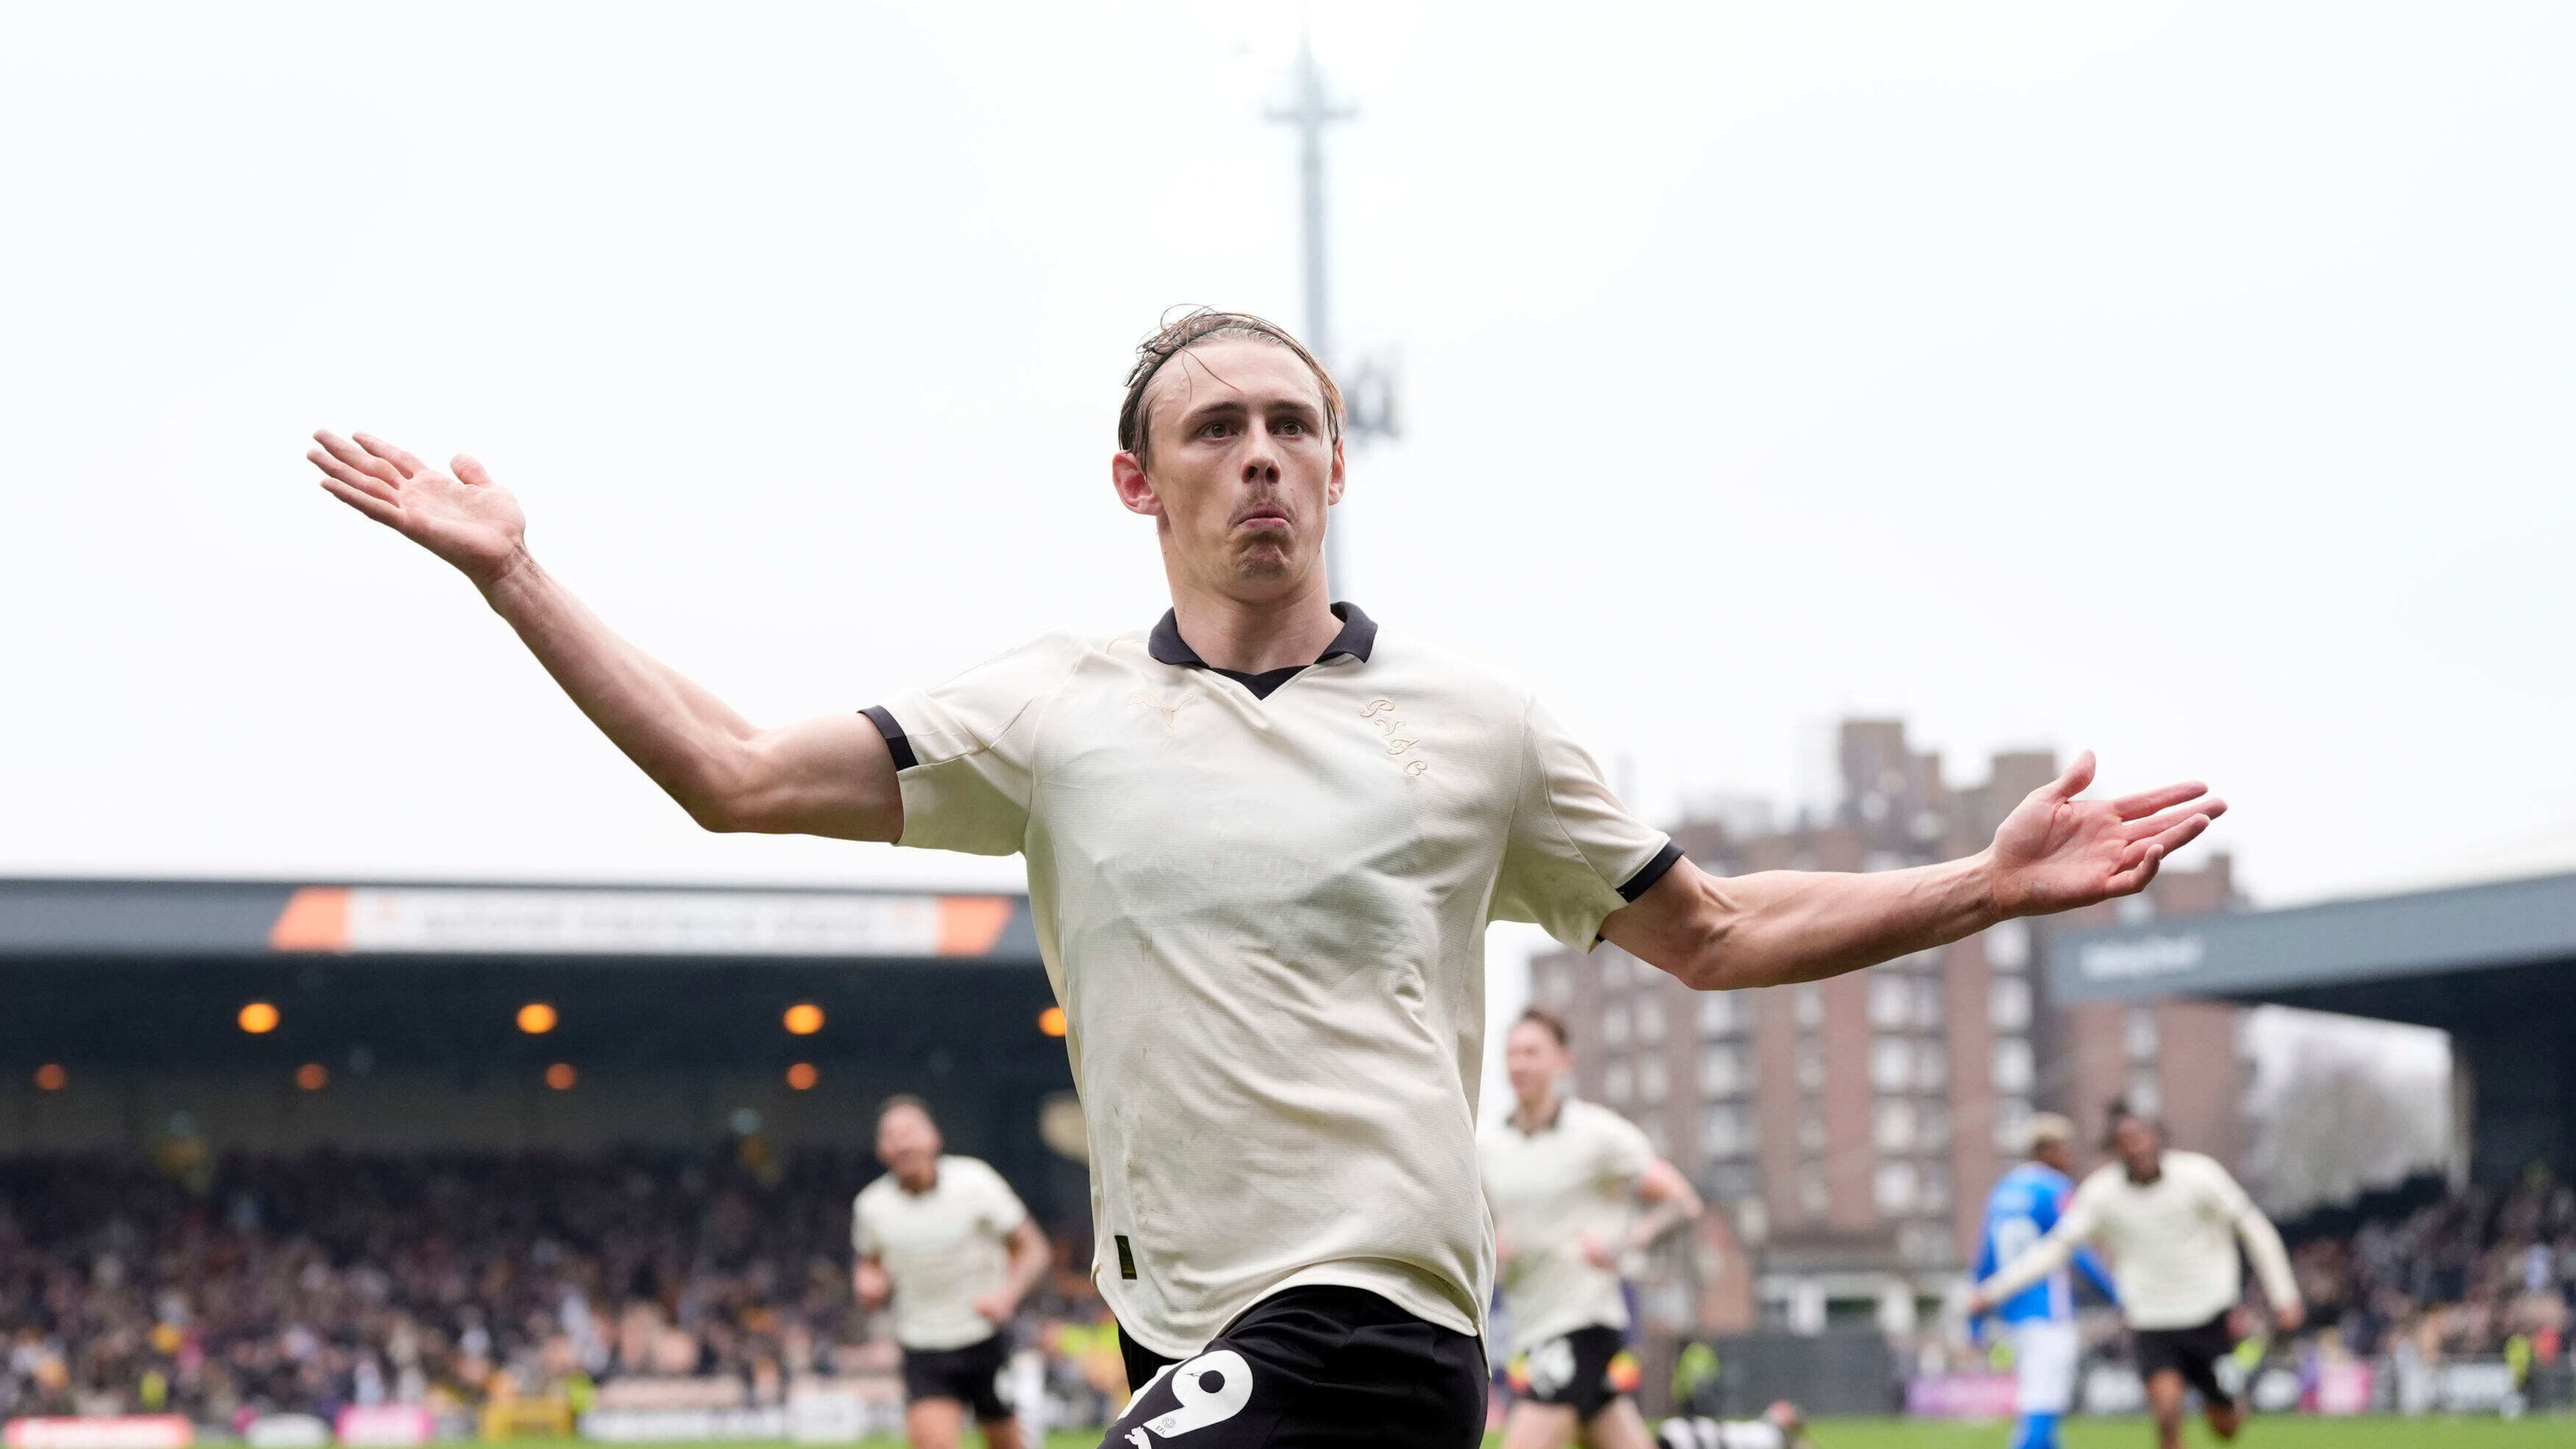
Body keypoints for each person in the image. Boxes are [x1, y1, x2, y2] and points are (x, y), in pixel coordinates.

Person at [308, 308, 2224, 1448]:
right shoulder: (1046, 715)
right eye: (1214, 429)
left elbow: (1708, 932)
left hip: (1372, 1311)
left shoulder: (1476, 724)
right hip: (1176, 1320)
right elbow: (730, 778)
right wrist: (514, 574)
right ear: (1137, 483)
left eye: (1293, 425)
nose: (1262, 458)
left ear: (1337, 468)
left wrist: (1976, 885)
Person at [1969, 1104, 2302, 1449]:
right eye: (2126, 1141)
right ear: (2114, 1149)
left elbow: (2255, 1230)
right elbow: (2055, 1249)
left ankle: (2230, 1402)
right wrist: (1991, 1292)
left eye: (2142, 1138)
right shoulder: (2102, 1194)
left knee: (2226, 1428)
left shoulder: (2200, 1176)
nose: (2137, 1147)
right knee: (2167, 1412)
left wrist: (2284, 1297)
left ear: (2159, 1140)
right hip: (2151, 1319)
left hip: (2208, 1316)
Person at [1482, 1007, 1702, 1449]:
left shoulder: (1597, 1134)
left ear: (1563, 1061)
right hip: (1530, 1328)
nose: (1519, 1064)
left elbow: (1682, 1201)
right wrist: (1491, 1248)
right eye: (1511, 1054)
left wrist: (1621, 1247)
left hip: (1583, 1324)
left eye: (1532, 1052)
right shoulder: (1487, 1145)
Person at [853, 1097, 1051, 1449]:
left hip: (984, 1337)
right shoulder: (872, 1206)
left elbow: (1034, 1248)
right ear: (881, 1150)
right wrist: (867, 1283)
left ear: (935, 1138)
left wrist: (1008, 1296)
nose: (901, 1142)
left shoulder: (975, 1181)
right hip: (923, 1345)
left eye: (909, 1132)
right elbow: (869, 1263)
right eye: (890, 1136)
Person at [1971, 1113, 2120, 1449]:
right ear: (2049, 1149)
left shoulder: (2002, 1191)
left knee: (2044, 1415)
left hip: (2011, 1314)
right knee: (2041, 1412)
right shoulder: (2053, 1188)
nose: (2071, 1156)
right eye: (2066, 1148)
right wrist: (2117, 1293)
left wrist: (1977, 1315)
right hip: (2048, 1310)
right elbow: (2075, 1249)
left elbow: (1985, 1258)